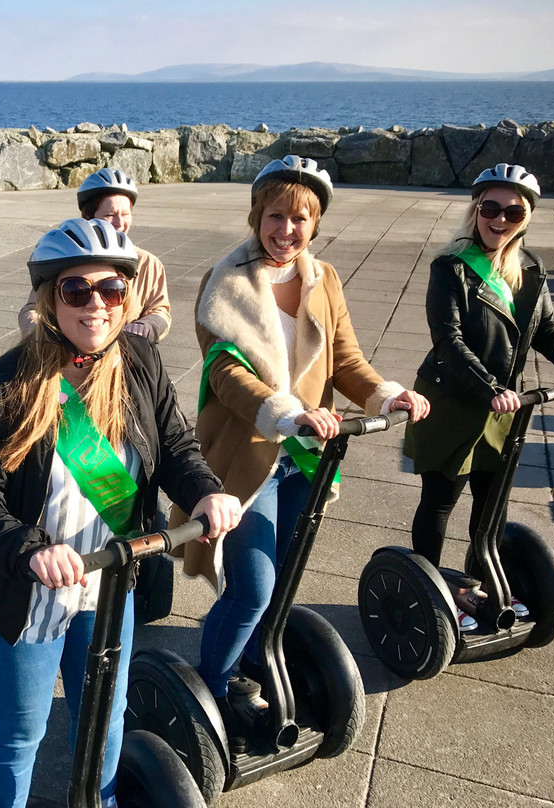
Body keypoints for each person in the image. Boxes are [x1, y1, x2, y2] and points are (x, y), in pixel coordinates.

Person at [0, 217, 241, 808]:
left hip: (109, 580)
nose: (96, 305)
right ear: (50, 298)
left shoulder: (139, 363)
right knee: (19, 732)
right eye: (76, 290)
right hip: (25, 589)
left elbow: (176, 444)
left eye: (111, 290)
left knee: (104, 723)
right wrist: (30, 548)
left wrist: (205, 489)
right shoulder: (2, 390)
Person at [173, 156, 429, 740]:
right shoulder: (228, 282)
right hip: (249, 461)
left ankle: (252, 659)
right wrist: (289, 413)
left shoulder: (323, 279)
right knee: (252, 588)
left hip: (305, 460)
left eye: (300, 219)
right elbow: (225, 374)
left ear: (315, 224)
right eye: (275, 216)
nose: (286, 230)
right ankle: (211, 692)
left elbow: (346, 361)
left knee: (282, 578)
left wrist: (386, 397)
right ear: (257, 215)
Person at [403, 163, 554, 630]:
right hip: (451, 401)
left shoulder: (529, 268)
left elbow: (545, 328)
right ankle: (426, 591)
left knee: (492, 505)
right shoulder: (450, 267)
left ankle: (477, 586)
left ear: (526, 217)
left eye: (513, 211)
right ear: (475, 210)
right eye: (490, 207)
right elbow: (447, 339)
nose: (500, 219)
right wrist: (490, 388)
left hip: (502, 408)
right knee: (440, 500)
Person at [18, 167, 171, 342]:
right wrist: (42, 336)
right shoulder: (63, 256)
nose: (120, 223)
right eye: (110, 215)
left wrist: (146, 327)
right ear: (89, 216)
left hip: (126, 353)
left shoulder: (148, 263)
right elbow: (33, 309)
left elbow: (160, 311)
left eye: (125, 214)